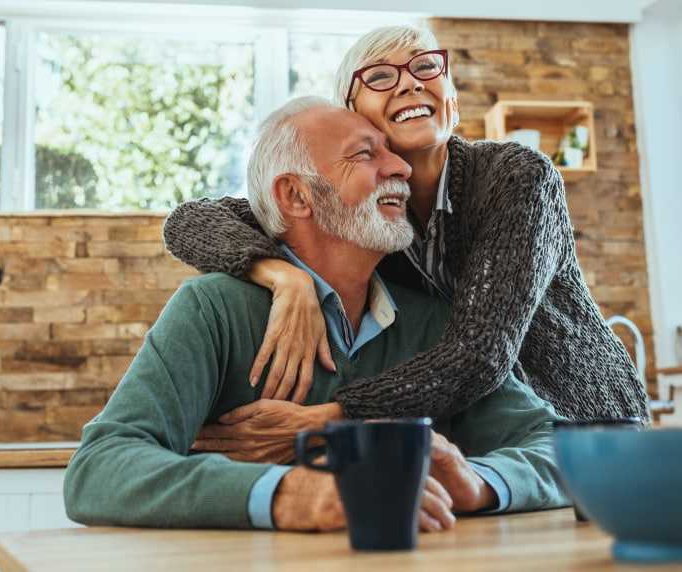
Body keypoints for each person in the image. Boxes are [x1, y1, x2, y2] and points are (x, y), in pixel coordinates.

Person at [64, 97, 569, 532]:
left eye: (392, 153)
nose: (401, 168)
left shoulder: (435, 324)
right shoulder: (214, 309)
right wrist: (291, 494)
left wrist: (479, 483)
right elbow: (100, 468)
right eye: (365, 155)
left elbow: (558, 448)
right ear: (295, 195)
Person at [162, 26, 648, 462]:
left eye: (424, 66)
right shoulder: (359, 213)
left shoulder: (517, 177)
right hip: (482, 444)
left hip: (586, 425)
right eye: (379, 76)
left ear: (451, 99)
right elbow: (190, 220)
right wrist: (281, 275)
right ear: (354, 117)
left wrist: (329, 416)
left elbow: (479, 354)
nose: (411, 82)